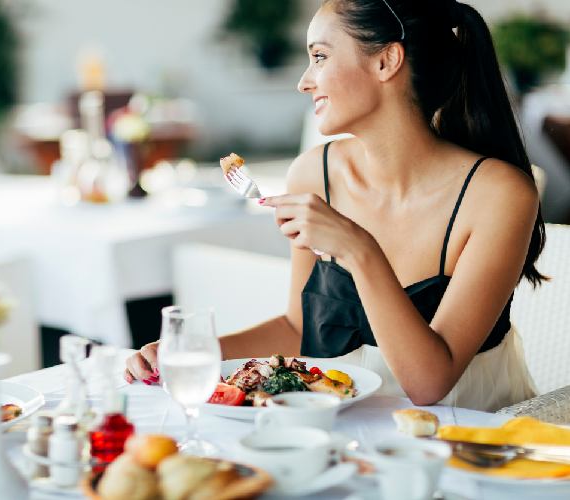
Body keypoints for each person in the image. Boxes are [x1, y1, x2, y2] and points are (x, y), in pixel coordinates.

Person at [125, 0, 544, 412]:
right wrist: (189, 355)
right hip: (348, 424)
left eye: (320, 57)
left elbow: (429, 384)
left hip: (471, 439)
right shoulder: (312, 174)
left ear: (387, 62)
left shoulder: (500, 194)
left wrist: (358, 249)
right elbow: (299, 326)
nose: (305, 81)